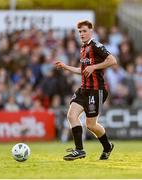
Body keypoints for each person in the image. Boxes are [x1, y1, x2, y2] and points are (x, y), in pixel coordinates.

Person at [54, 20, 117, 161]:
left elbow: (112, 60)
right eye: (80, 32)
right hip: (84, 89)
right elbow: (82, 70)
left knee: (91, 125)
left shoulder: (96, 46)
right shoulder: (83, 48)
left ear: (91, 31)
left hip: (96, 90)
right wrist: (65, 66)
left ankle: (107, 146)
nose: (81, 34)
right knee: (71, 115)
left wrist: (94, 67)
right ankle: (79, 150)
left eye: (84, 31)